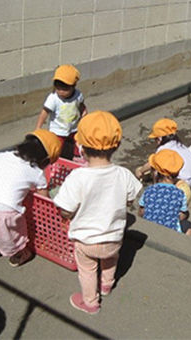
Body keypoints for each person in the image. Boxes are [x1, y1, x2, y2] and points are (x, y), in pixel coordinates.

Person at [53, 111, 142, 315]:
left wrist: (68, 216)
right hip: (113, 237)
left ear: (81, 147)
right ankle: (107, 285)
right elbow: (130, 199)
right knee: (110, 260)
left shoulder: (78, 177)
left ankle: (91, 302)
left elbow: (65, 209)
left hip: (86, 240)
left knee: (87, 270)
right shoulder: (123, 174)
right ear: (117, 145)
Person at [0, 129, 62, 267]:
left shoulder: (1, 156)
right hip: (4, 213)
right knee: (10, 237)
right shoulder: (37, 173)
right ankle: (18, 256)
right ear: (45, 160)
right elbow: (44, 200)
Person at [135, 118, 191, 202]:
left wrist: (141, 171)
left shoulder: (163, 149)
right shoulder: (179, 145)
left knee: (157, 168)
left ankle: (160, 190)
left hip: (181, 182)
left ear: (159, 139)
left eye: (155, 139)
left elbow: (151, 163)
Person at [35, 64, 87, 160]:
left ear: (73, 86)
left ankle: (75, 160)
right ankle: (55, 162)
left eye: (65, 89)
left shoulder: (78, 95)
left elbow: (82, 107)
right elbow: (44, 113)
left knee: (76, 146)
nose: (61, 91)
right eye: (58, 88)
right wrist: (38, 127)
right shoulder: (53, 98)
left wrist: (84, 117)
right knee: (56, 148)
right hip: (57, 130)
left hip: (73, 128)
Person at [138, 149, 191, 236]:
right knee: (187, 225)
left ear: (155, 172)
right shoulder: (180, 194)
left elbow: (141, 211)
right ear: (177, 172)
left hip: (147, 229)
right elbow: (181, 216)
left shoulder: (149, 190)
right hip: (169, 234)